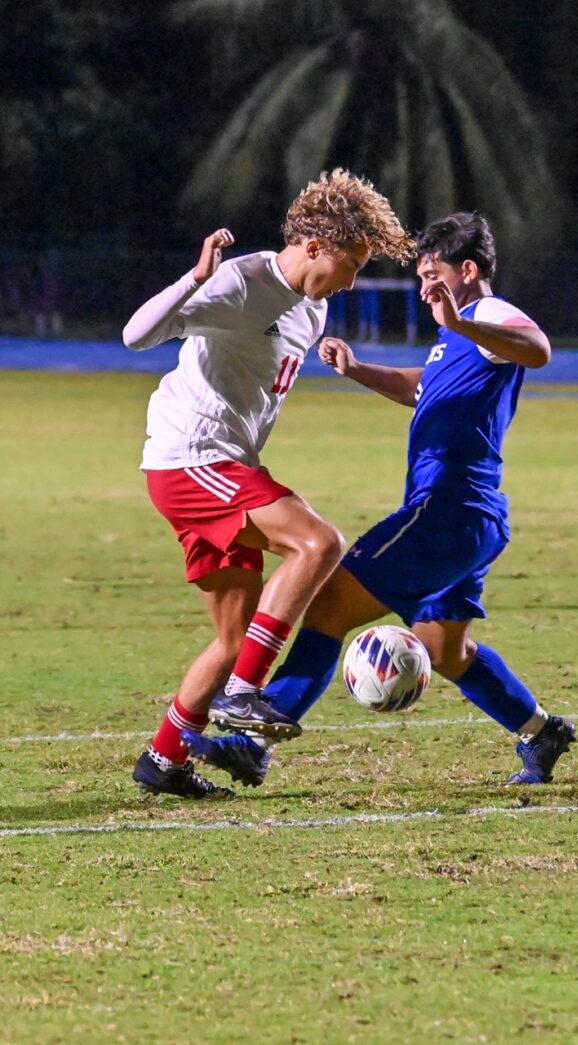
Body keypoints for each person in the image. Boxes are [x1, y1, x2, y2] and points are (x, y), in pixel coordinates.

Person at [183, 211, 578, 788]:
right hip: (471, 516)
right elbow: (422, 388)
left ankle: (251, 744)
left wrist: (463, 325)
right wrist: (359, 369)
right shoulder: (460, 335)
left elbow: (537, 348)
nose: (424, 290)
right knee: (444, 650)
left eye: (432, 275)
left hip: (444, 509)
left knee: (326, 607)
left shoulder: (486, 315)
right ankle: (543, 731)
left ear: (468, 270)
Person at [123, 169, 415, 798]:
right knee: (318, 543)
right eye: (352, 262)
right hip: (190, 458)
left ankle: (164, 760)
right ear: (315, 245)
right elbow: (136, 335)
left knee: (234, 635)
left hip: (223, 464)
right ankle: (245, 693)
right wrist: (195, 279)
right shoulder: (240, 283)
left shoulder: (313, 308)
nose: (353, 279)